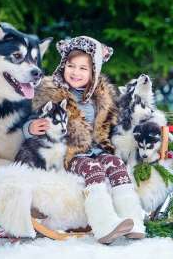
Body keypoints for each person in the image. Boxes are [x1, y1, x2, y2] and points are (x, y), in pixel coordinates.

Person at [23, 36, 145, 244]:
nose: (75, 72)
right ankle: (104, 223)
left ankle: (133, 219)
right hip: (69, 154)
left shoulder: (103, 97)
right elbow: (30, 121)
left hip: (98, 150)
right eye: (71, 66)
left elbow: (112, 126)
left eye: (83, 68)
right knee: (92, 169)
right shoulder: (51, 94)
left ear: (94, 72)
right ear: (63, 66)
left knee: (115, 164)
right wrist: (30, 128)